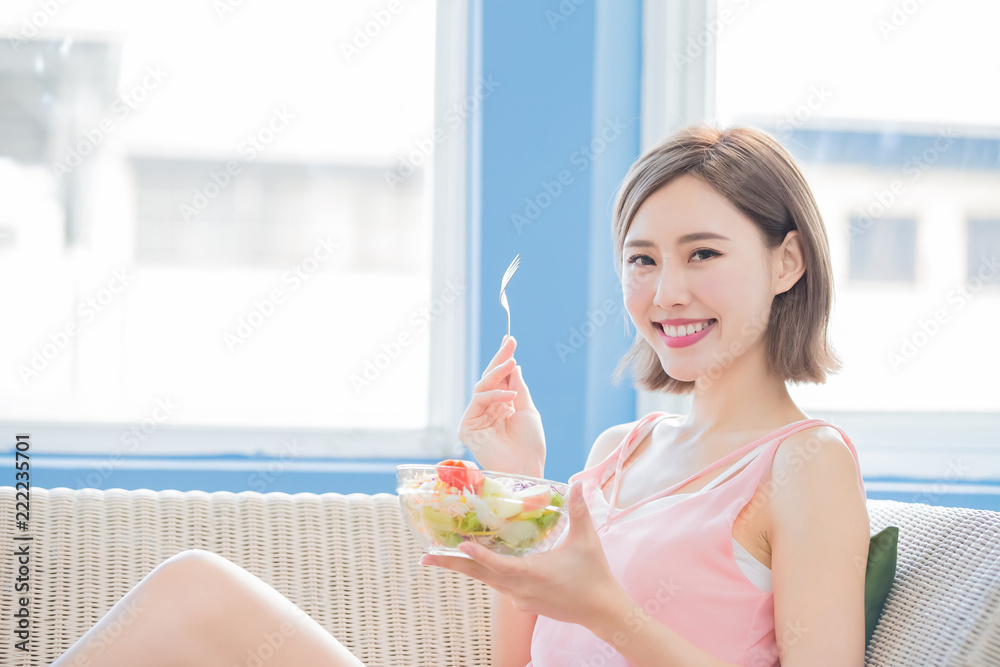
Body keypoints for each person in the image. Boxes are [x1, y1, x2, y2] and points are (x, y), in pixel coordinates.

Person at [48, 124, 869, 667]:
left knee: (196, 590)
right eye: (643, 259)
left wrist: (612, 611)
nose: (666, 291)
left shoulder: (808, 465)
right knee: (195, 588)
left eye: (703, 254)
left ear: (787, 262)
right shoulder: (623, 450)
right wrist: (518, 481)